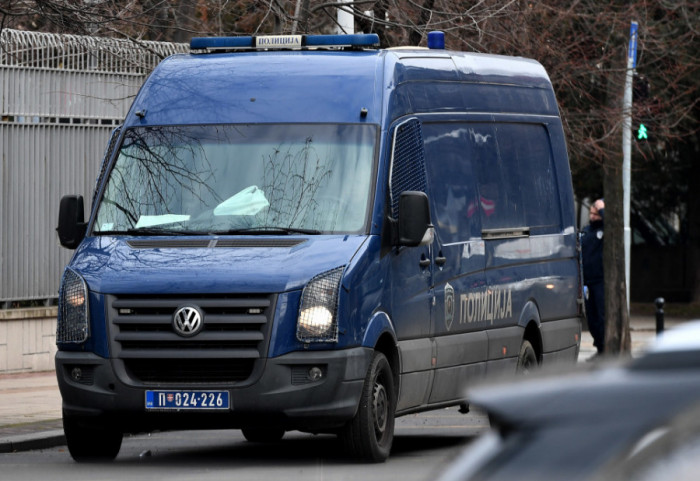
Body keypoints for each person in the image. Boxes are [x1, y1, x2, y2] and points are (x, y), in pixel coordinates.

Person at [581, 198, 605, 355]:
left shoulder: (605, 230)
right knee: (591, 319)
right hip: (587, 282)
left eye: (596, 214)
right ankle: (599, 346)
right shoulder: (587, 231)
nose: (593, 216)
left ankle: (604, 349)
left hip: (600, 282)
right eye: (591, 213)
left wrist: (602, 208)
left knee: (602, 317)